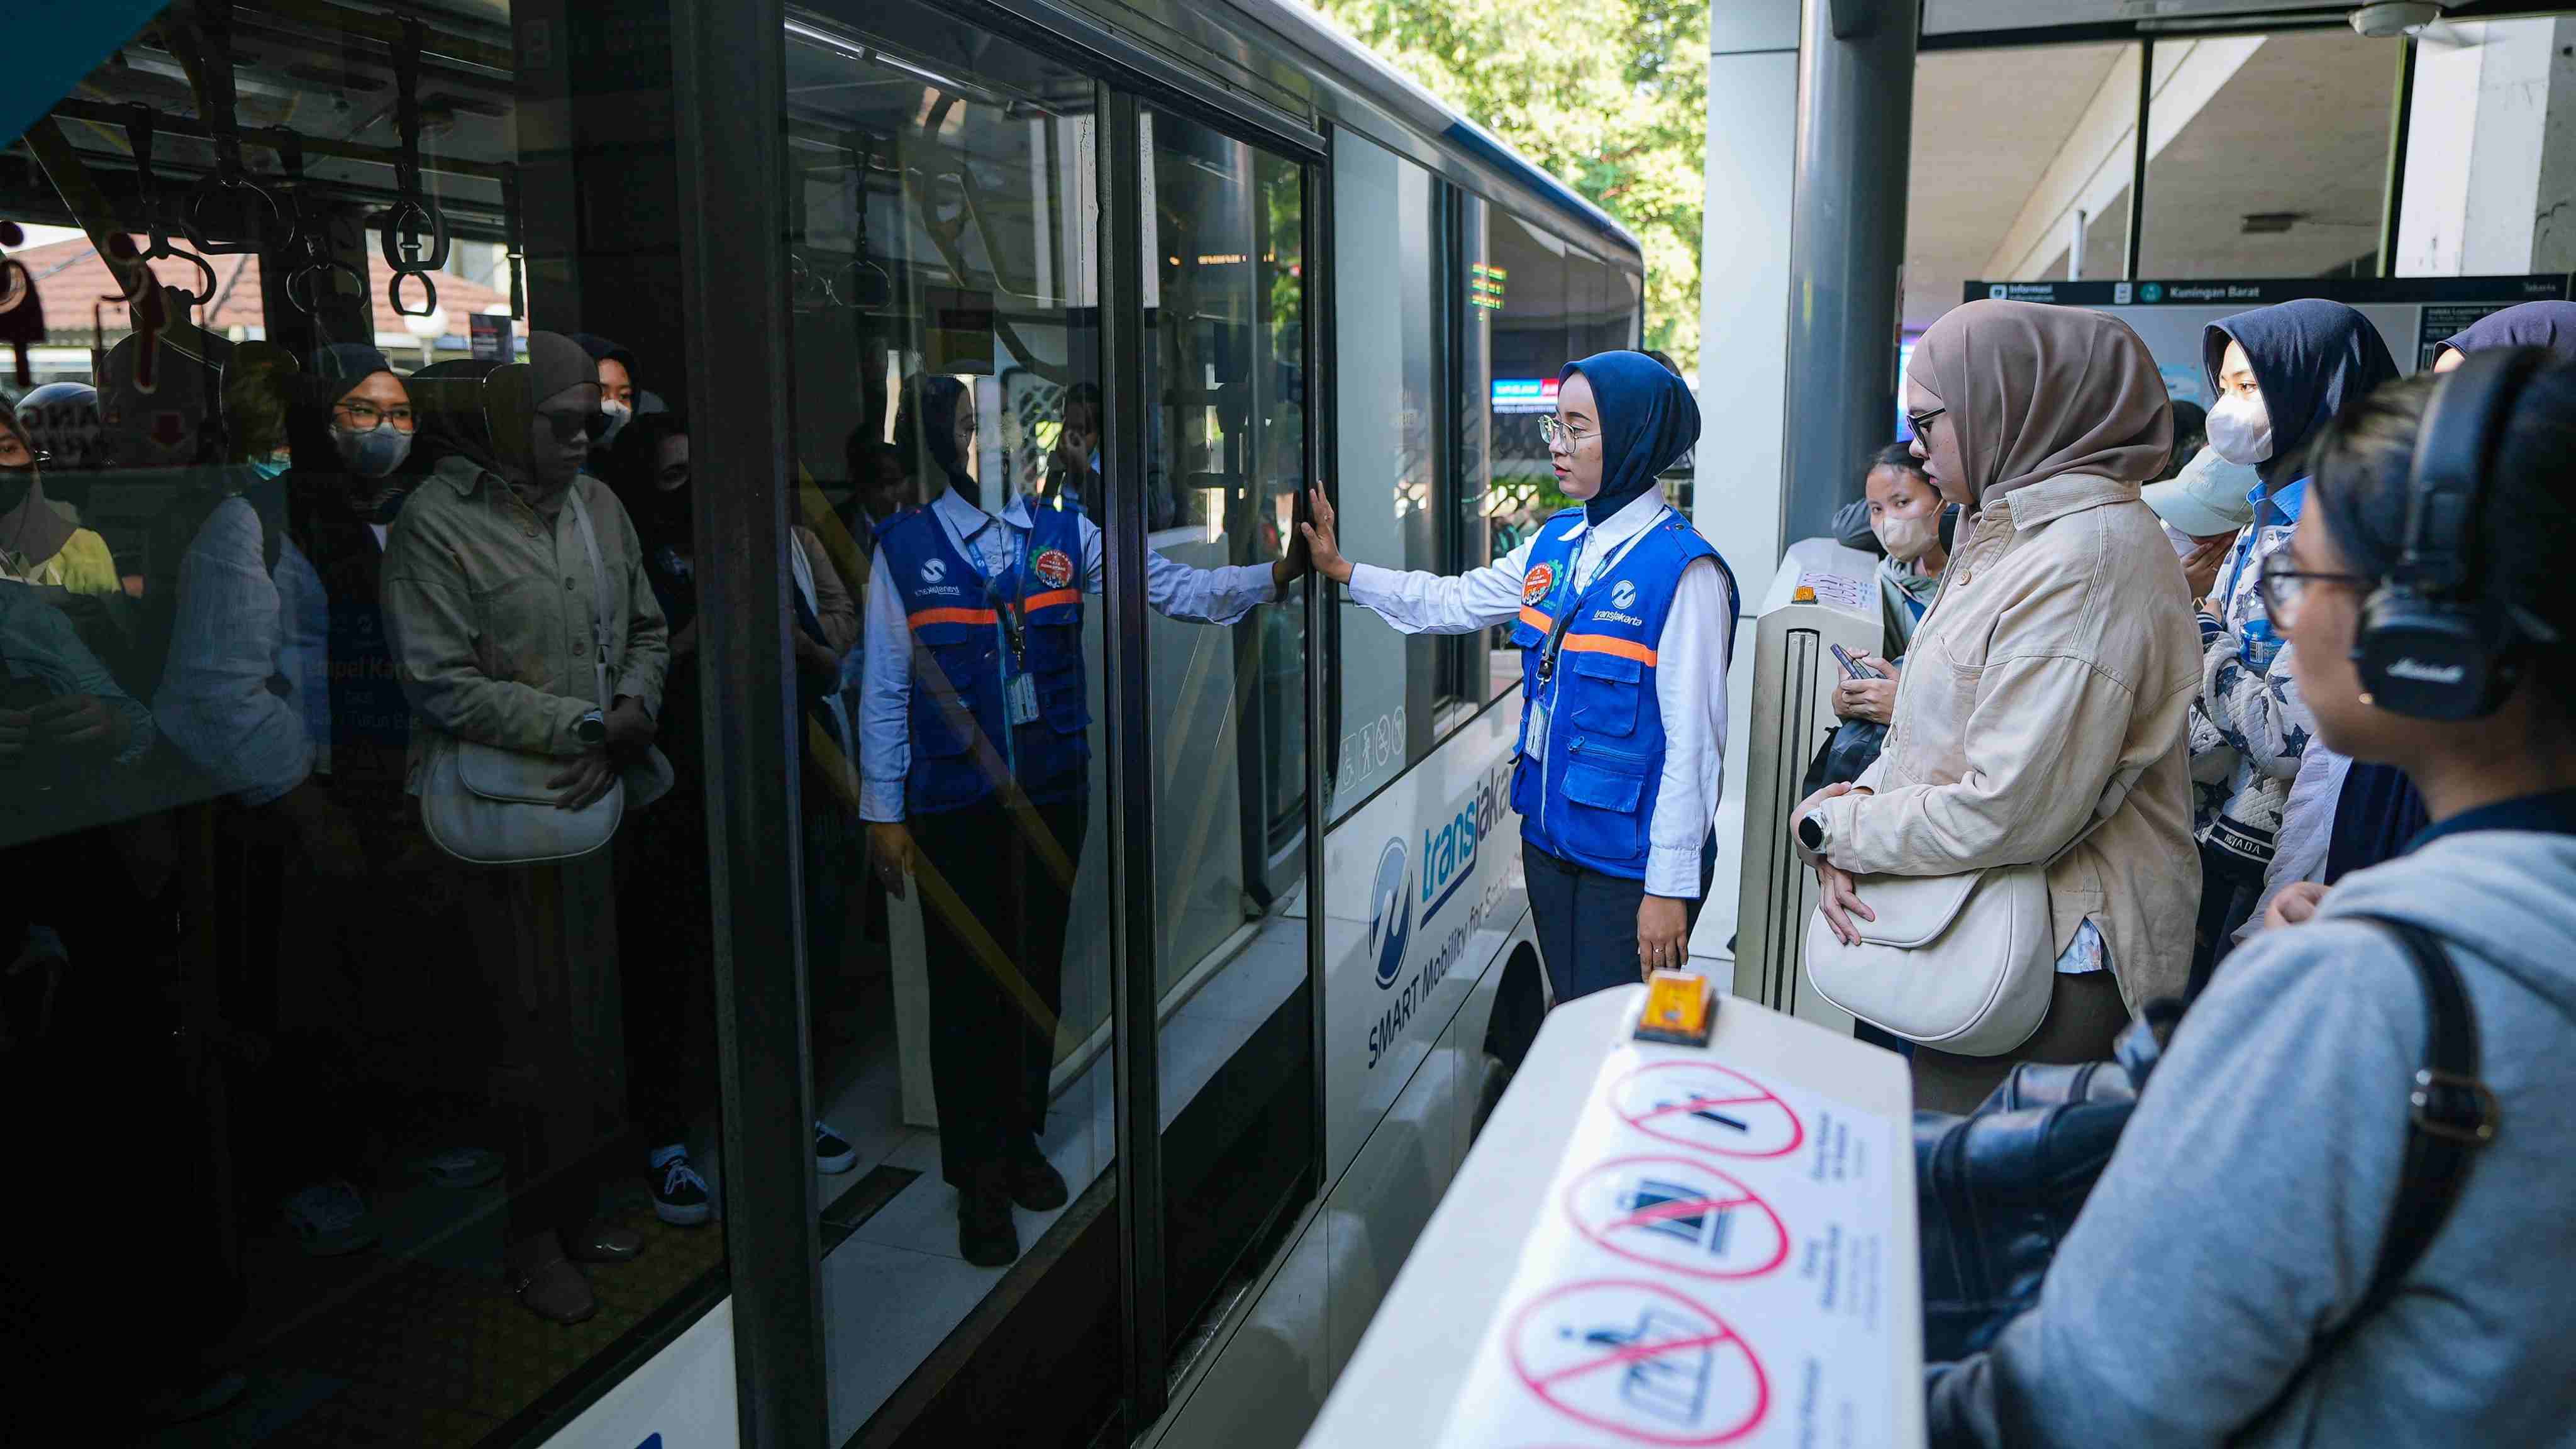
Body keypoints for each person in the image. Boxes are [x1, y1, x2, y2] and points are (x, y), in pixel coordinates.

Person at [1926, 355, 2576, 1448]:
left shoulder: (2367, 990)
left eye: (2299, 582)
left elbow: (2089, 1399)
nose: (2278, 611)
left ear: (2426, 637)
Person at [859, 370, 1301, 1267]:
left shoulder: (1067, 536)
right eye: (975, 433)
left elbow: (1174, 588)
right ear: (949, 449)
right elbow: (882, 687)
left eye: (1014, 433)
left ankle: (1020, 1141)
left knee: (1033, 976)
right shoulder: (903, 550)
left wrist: (1276, 573)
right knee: (964, 997)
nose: (1001, 448)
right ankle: (975, 1182)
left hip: (1054, 797)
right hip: (953, 806)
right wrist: (882, 810)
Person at [1792, 299, 2199, 1114]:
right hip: (1977, 924)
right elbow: (1939, 728)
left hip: (2054, 962)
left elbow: (2012, 806)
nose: (1916, 447)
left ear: (2004, 406)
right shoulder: (2003, 530)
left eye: (1929, 422)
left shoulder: (2086, 556)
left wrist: (1838, 829)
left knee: (1957, 1213)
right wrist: (1862, 799)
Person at [382, 331, 669, 1324]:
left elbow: (645, 627)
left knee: (589, 1026)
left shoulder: (598, 509)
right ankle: (529, 1237)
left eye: (595, 420)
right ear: (510, 420)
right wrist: (585, 724)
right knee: (520, 1032)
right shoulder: (437, 523)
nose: (585, 438)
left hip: (595, 799)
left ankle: (578, 1208)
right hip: (505, 812)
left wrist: (631, 710)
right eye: (563, 423)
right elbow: (438, 681)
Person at [1299, 350, 1733, 1005]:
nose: (1557, 445)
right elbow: (1453, 601)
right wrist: (1346, 573)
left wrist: (1668, 889)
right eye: (1554, 426)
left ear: (1633, 435)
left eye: (1577, 428)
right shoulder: (1555, 544)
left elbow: (1695, 749)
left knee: (1616, 1043)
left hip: (1629, 869)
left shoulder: (1683, 574)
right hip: (1551, 848)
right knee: (1575, 1013)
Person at [2181, 299, 2396, 993]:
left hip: (2282, 875)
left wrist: (2203, 637)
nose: (2228, 409)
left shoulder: (2345, 536)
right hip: (2214, 842)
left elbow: (2282, 736)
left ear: (2315, 387)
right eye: (2224, 389)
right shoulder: (2262, 513)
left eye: (2248, 388)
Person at [1830, 443, 1947, 727]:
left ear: (1944, 499)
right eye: (1876, 509)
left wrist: (1908, 706)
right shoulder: (1888, 578)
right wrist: (1844, 700)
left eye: (1902, 503)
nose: (1887, 522)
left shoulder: (1973, 580)